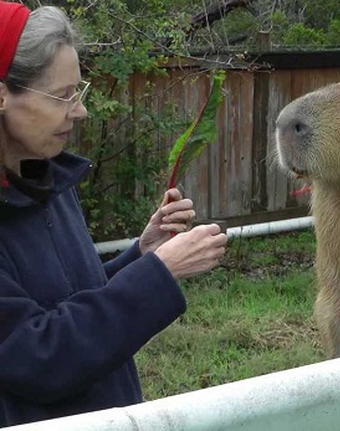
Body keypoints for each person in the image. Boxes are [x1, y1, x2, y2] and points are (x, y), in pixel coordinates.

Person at [0, 1, 228, 426]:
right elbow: (35, 357)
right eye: (63, 96)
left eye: (79, 93)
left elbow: (70, 301)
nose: (80, 111)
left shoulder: (45, 181)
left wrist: (141, 255)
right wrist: (158, 273)